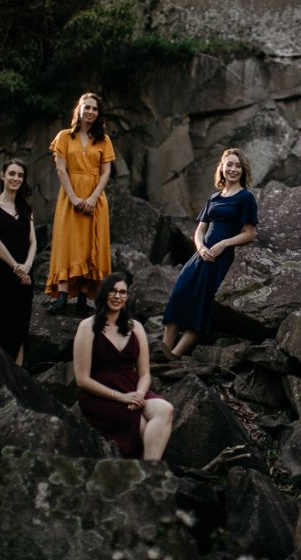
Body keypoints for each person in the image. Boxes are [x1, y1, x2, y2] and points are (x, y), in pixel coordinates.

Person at [162, 149, 259, 357]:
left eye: (238, 166)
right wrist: (201, 248)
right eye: (229, 165)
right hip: (201, 256)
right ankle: (162, 351)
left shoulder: (246, 198)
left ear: (243, 171)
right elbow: (200, 230)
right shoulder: (214, 197)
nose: (233, 169)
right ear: (222, 168)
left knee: (201, 306)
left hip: (220, 259)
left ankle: (174, 357)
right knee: (179, 295)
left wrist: (224, 244)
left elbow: (250, 233)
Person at [73, 273, 173, 459]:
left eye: (122, 292)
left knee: (165, 409)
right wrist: (121, 397)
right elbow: (82, 379)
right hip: (101, 395)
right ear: (103, 294)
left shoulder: (135, 327)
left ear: (127, 297)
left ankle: (151, 473)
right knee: (142, 426)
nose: (117, 296)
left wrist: (139, 396)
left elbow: (144, 374)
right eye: (113, 291)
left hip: (132, 389)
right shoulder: (87, 327)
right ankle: (151, 475)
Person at [45, 92, 115, 315]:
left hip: (95, 199)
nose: (91, 112)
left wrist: (93, 197)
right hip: (70, 197)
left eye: (95, 109)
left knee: (89, 245)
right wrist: (74, 197)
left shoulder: (103, 140)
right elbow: (60, 169)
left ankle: (84, 300)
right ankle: (62, 297)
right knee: (67, 243)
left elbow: (106, 172)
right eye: (87, 108)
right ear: (79, 110)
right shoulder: (65, 136)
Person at [0, 159, 37, 365]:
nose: (16, 178)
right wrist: (16, 267)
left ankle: (18, 377)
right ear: (2, 175)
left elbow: (33, 242)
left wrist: (27, 267)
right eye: (12, 174)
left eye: (20, 176)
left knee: (20, 327)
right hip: (0, 275)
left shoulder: (26, 209)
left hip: (24, 276)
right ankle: (0, 376)